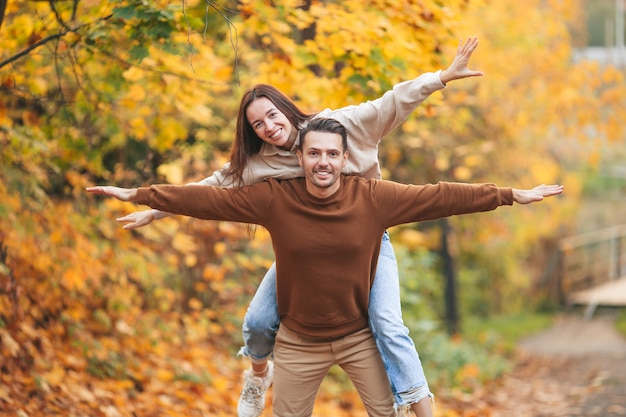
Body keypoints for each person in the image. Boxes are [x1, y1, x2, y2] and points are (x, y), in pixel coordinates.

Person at [87, 118, 563, 416]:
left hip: (360, 339)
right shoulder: (274, 199)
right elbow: (207, 200)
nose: (322, 162)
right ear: (300, 156)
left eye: (332, 154)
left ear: (344, 159)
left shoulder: (374, 199)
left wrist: (508, 195)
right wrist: (142, 194)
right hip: (297, 342)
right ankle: (258, 373)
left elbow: (439, 195)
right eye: (313, 153)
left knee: (388, 412)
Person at [113, 37, 484, 417]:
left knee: (387, 321)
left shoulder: (341, 127)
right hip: (305, 246)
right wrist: (154, 208)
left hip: (366, 242)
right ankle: (259, 375)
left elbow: (393, 102)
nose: (268, 127)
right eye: (257, 124)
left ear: (286, 109)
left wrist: (441, 78)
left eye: (272, 115)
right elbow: (210, 192)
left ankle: (409, 403)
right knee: (257, 321)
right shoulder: (258, 166)